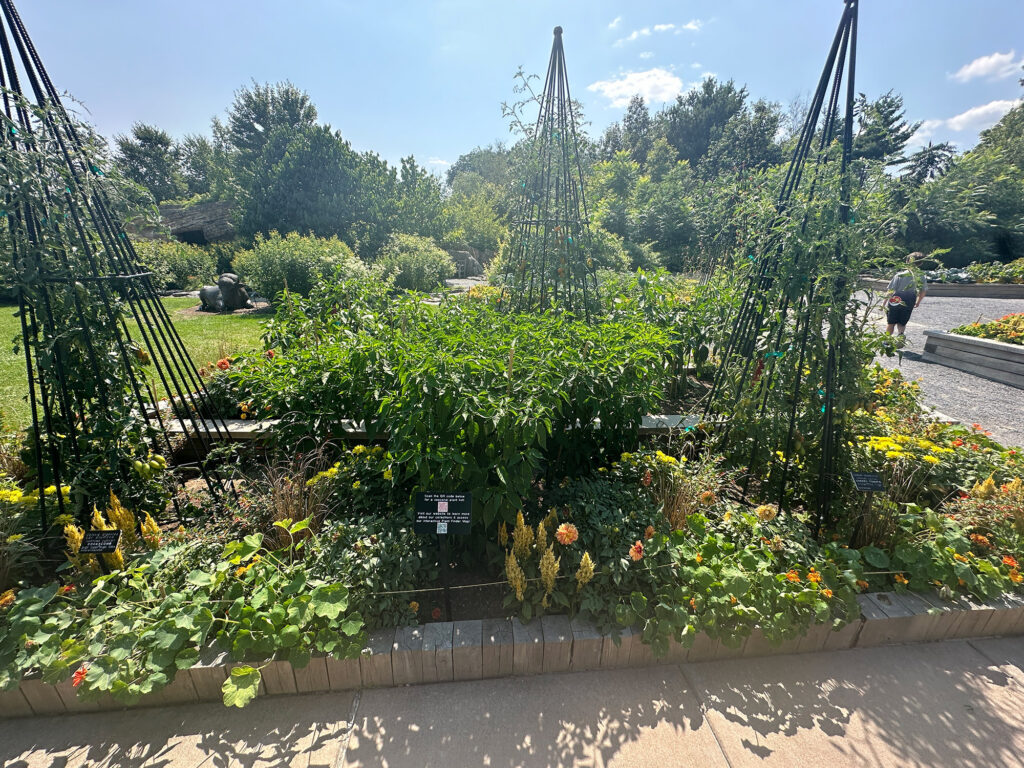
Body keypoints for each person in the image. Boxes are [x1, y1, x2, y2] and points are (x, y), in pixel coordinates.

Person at [885, 252, 926, 336]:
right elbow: (923, 291)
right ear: (921, 263)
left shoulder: (899, 275)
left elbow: (890, 290)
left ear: (907, 261)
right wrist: (918, 302)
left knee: (891, 322)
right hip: (909, 301)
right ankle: (900, 335)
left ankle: (886, 340)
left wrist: (884, 302)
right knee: (902, 322)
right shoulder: (921, 276)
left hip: (895, 301)